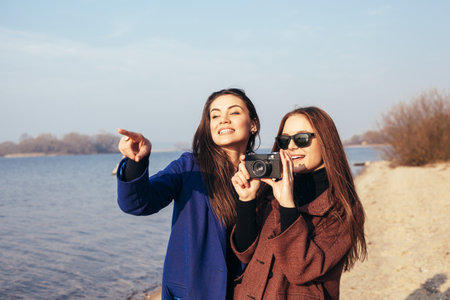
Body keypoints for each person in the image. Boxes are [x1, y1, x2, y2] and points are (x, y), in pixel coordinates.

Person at [116, 88, 260, 300]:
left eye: (234, 112)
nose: (224, 120)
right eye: (215, 115)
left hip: (249, 290)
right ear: (209, 126)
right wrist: (135, 164)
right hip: (194, 292)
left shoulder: (264, 175)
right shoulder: (189, 167)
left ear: (253, 124)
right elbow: (138, 203)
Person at [230, 106, 367, 299]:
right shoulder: (269, 191)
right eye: (284, 140)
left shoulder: (343, 208)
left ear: (327, 142)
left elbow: (301, 269)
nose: (292, 146)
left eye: (302, 139)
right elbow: (244, 253)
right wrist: (246, 201)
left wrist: (287, 205)